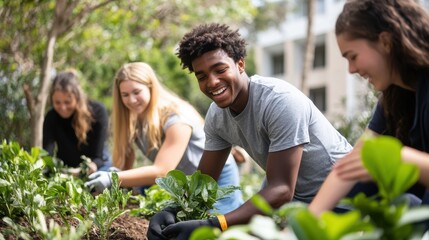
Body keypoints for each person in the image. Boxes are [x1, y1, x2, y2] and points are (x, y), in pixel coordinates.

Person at [147, 23, 352, 240]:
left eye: (220, 69)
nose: (212, 82)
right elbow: (204, 181)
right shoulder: (217, 116)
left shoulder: (279, 100)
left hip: (343, 195)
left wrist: (216, 223)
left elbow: (281, 189)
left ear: (240, 64)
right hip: (297, 204)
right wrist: (171, 210)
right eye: (202, 76)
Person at [308, 0, 429, 216]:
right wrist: (305, 225)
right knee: (357, 183)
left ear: (385, 42)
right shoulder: (394, 97)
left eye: (353, 57)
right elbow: (351, 165)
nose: (351, 70)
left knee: (405, 203)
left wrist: (397, 156)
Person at [84, 62, 243, 214]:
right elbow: (124, 170)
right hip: (185, 183)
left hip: (217, 176)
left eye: (137, 92)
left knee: (218, 228)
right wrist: (113, 179)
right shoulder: (135, 120)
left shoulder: (175, 117)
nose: (131, 100)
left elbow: (162, 171)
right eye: (125, 95)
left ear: (151, 88)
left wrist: (113, 178)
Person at [43, 70, 112, 175]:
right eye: (57, 103)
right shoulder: (51, 116)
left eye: (67, 102)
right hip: (66, 169)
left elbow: (98, 157)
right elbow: (47, 153)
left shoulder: (97, 112)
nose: (63, 107)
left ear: (77, 98)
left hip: (97, 166)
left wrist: (86, 170)